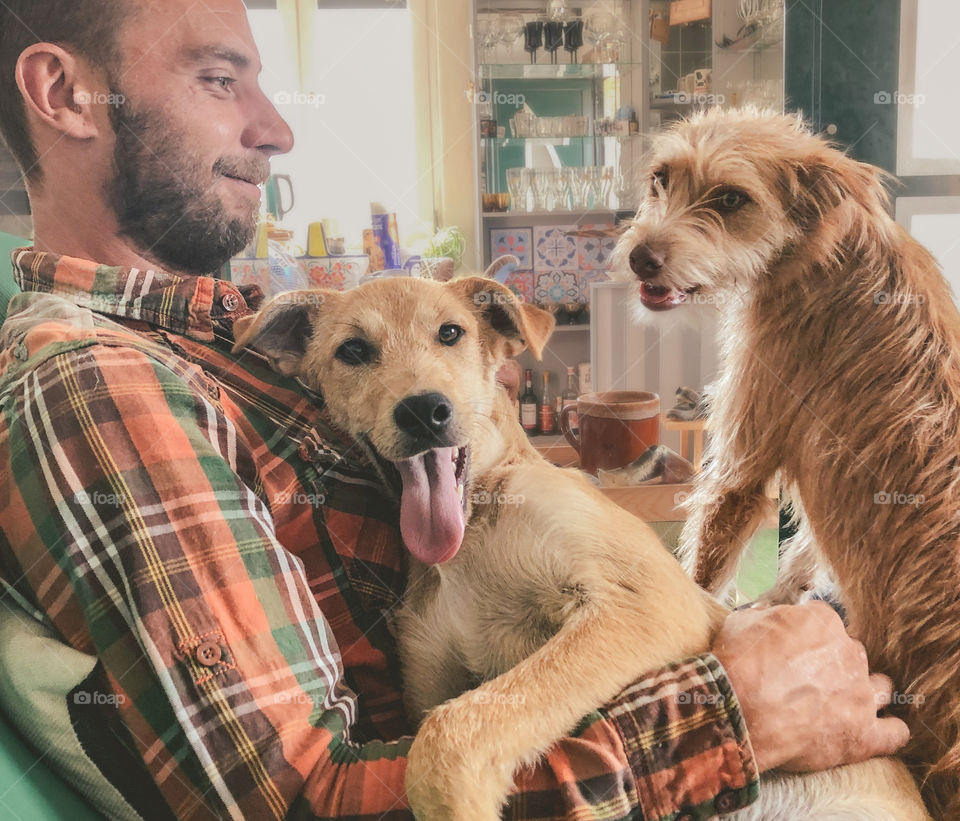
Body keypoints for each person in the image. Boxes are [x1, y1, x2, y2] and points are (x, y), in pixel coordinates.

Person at [0, 1, 909, 818]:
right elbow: (294, 797)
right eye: (217, 79)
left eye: (263, 87)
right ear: (65, 92)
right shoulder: (94, 379)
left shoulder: (239, 340)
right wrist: (735, 713)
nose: (276, 130)